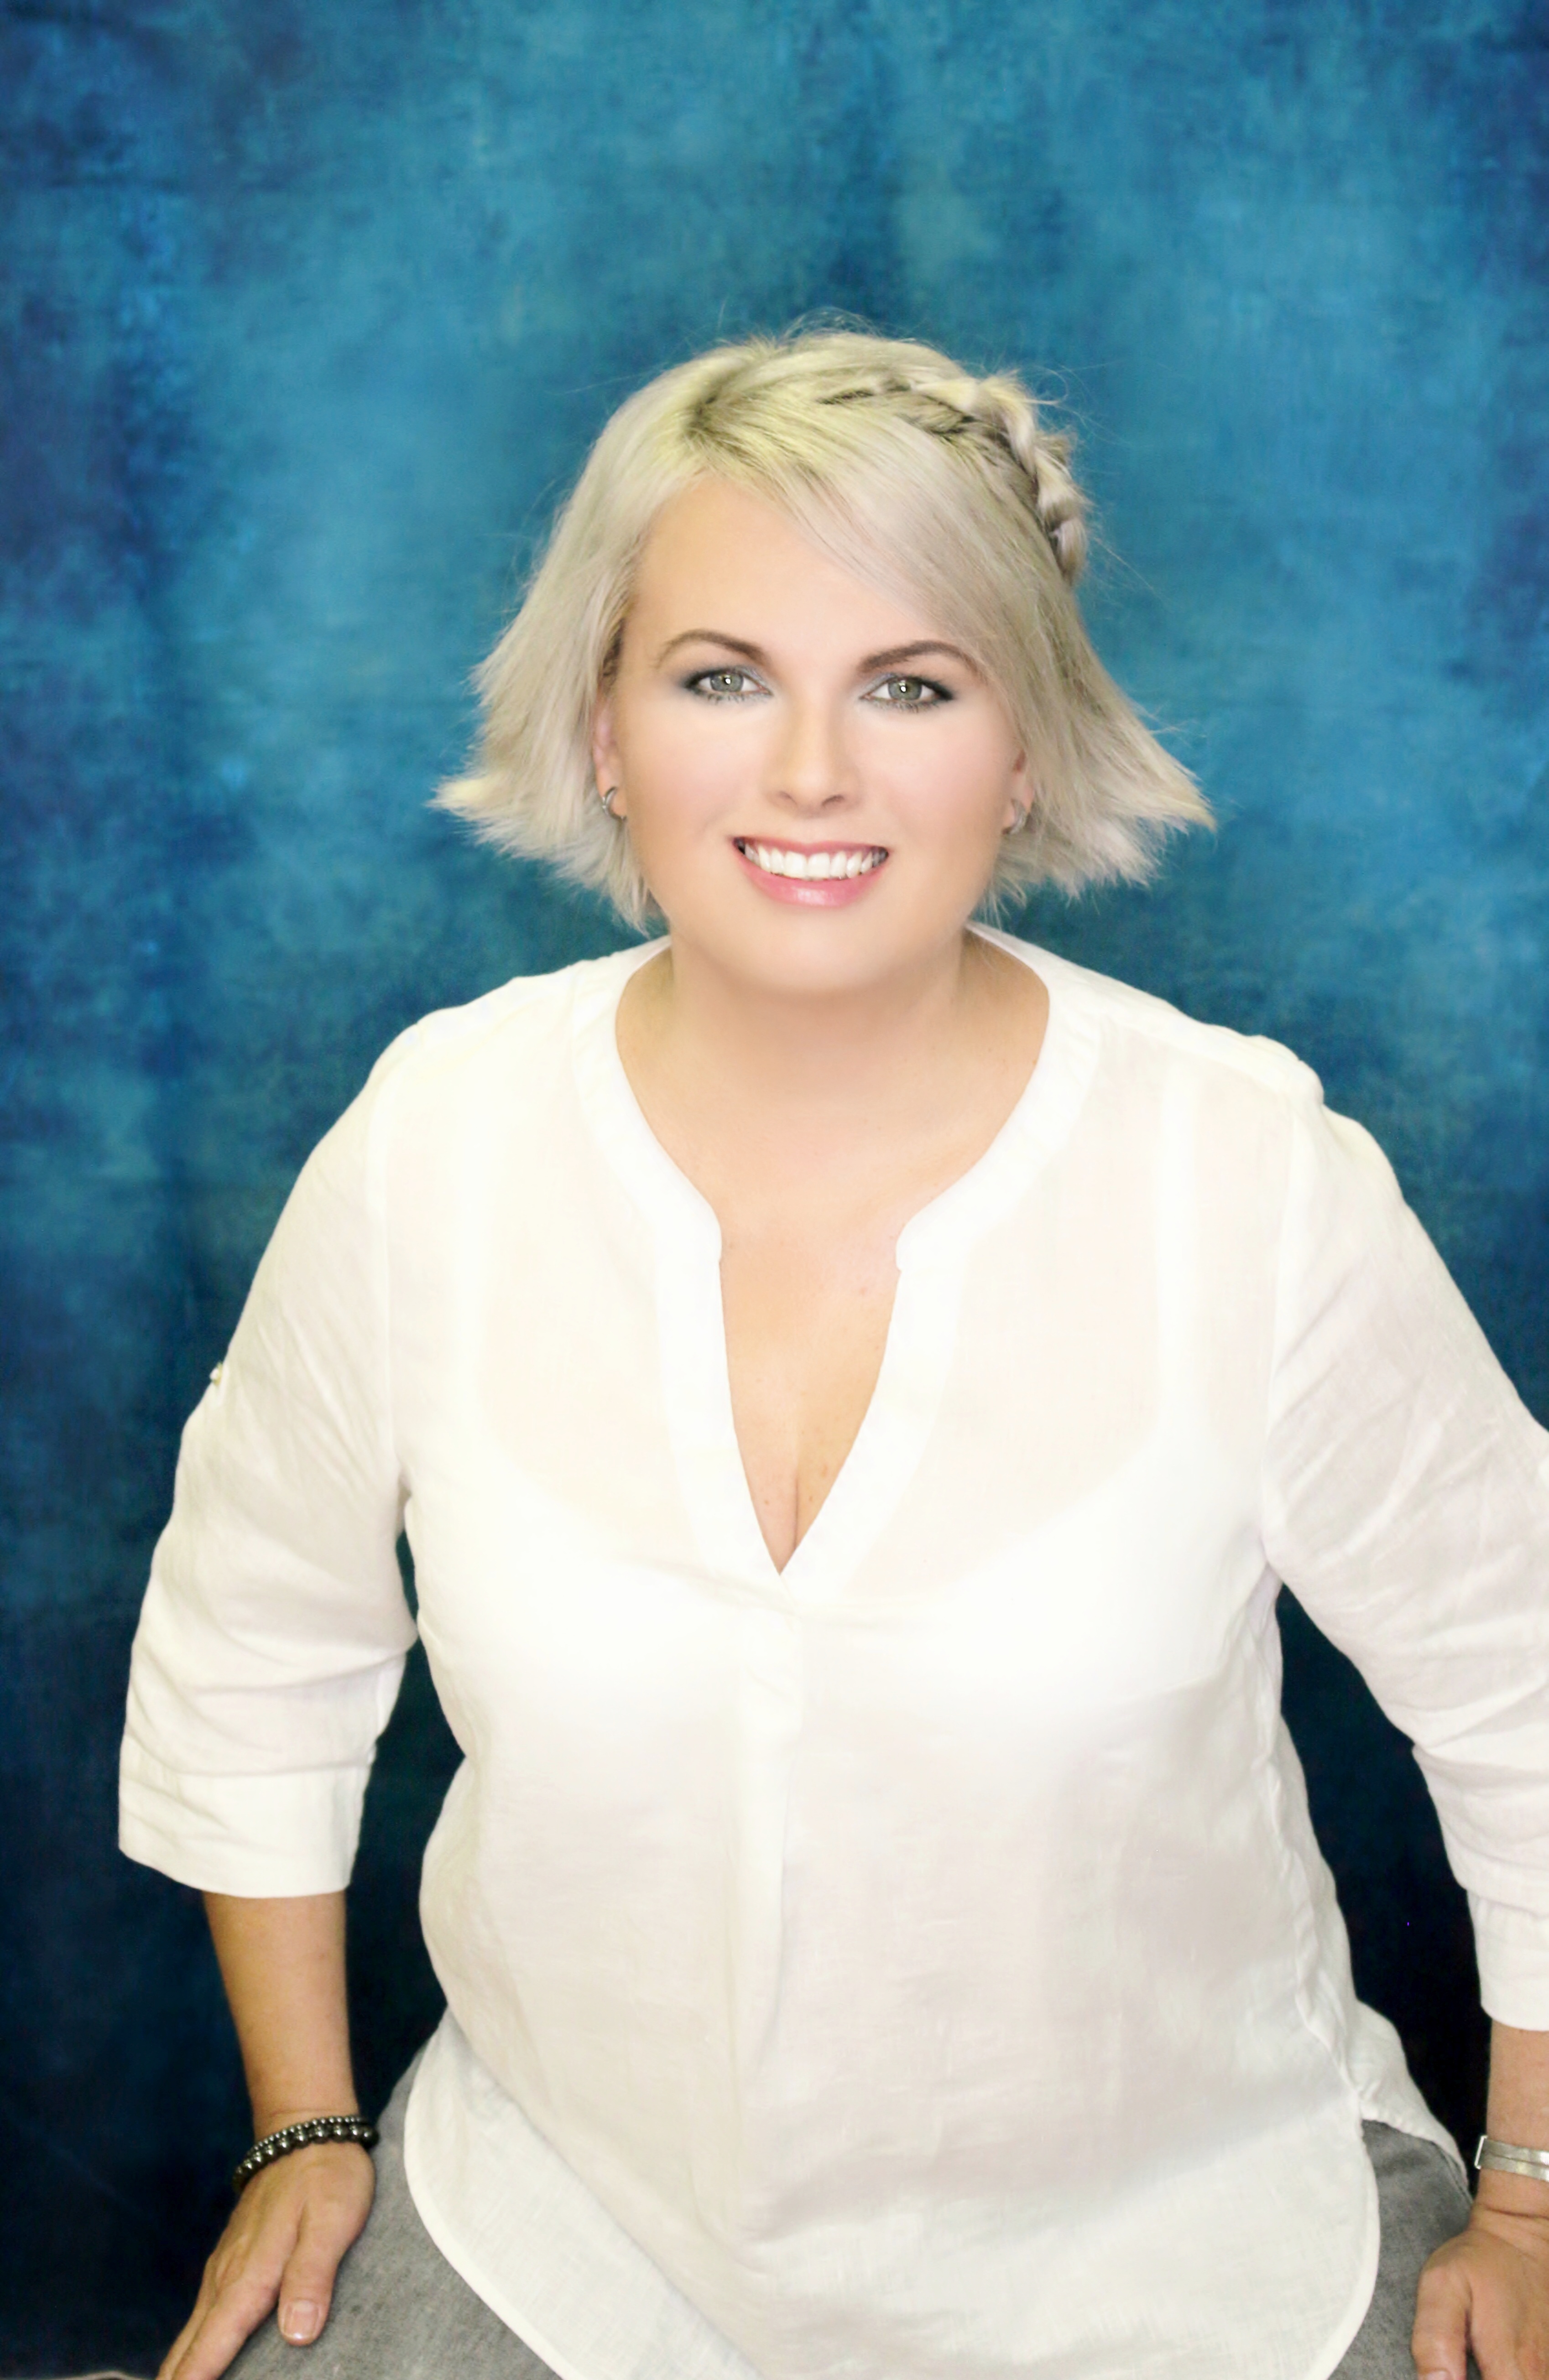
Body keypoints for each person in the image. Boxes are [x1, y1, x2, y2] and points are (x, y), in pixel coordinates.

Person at [120, 328, 1549, 2380]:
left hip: (1199, 2257)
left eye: (911, 684)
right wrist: (303, 2124)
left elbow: (1528, 1694)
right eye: (722, 678)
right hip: (559, 2239)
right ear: (605, 727)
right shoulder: (434, 1143)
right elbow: (254, 1650)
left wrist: (1529, 2193)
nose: (811, 773)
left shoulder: (1248, 1178)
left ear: (1024, 746)